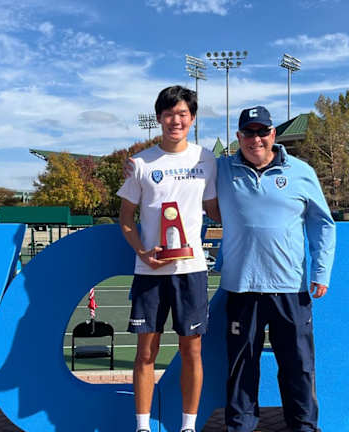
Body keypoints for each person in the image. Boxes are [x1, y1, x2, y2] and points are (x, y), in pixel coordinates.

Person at [216, 106, 335, 432]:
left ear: (273, 134)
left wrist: (320, 271)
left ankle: (304, 427)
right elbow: (182, 179)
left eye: (262, 131)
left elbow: (323, 224)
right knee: (242, 366)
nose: (256, 139)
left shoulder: (301, 171)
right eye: (248, 133)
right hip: (242, 287)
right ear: (238, 137)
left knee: (298, 365)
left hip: (290, 288)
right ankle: (240, 427)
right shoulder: (221, 169)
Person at [117, 85, 221, 432]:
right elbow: (125, 219)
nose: (175, 120)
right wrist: (143, 252)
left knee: (192, 352)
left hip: (191, 270)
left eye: (183, 114)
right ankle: (142, 426)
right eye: (168, 114)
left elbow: (215, 210)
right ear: (159, 117)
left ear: (192, 118)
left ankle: (188, 427)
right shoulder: (142, 163)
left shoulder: (207, 160)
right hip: (150, 270)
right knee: (146, 352)